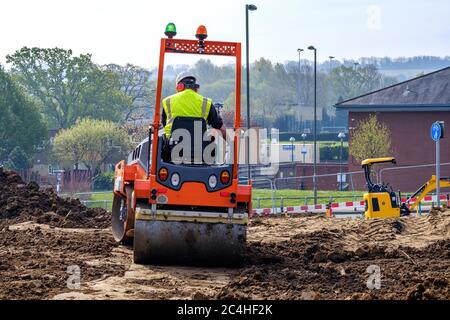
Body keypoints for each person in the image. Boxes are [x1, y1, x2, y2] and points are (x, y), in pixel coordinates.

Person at [161, 71, 226, 138]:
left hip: (171, 146)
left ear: (180, 86)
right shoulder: (206, 103)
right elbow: (220, 127)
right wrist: (231, 145)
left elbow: (165, 124)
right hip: (199, 146)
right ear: (195, 87)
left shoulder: (168, 101)